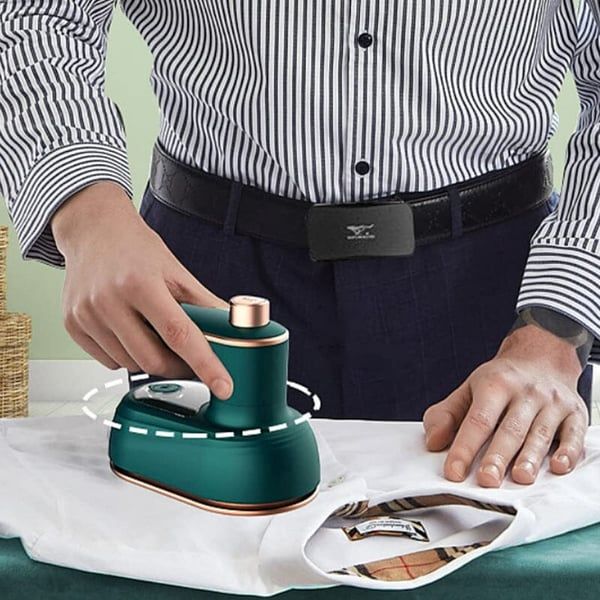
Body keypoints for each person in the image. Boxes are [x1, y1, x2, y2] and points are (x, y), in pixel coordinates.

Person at [1, 1, 598, 490]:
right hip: (207, 285)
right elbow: (39, 17)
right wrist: (88, 212)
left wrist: (556, 330)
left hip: (502, 306)